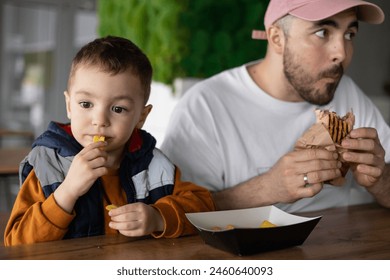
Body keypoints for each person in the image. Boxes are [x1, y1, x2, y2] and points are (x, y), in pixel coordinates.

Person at [161, 0, 390, 213]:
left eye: (349, 34)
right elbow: (176, 215)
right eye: (322, 32)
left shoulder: (348, 93)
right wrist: (267, 189)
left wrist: (380, 181)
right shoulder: (205, 106)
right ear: (277, 37)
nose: (341, 53)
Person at [4, 36, 215, 246]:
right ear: (69, 105)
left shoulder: (154, 164)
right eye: (86, 104)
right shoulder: (46, 165)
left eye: (118, 109)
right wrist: (67, 191)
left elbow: (205, 208)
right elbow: (16, 243)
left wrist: (158, 217)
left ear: (141, 116)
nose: (100, 121)